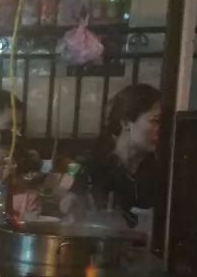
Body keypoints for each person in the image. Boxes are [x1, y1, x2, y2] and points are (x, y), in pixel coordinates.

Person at [65, 83, 164, 223]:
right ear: (126, 123)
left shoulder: (161, 171)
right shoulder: (96, 167)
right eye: (156, 121)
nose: (161, 129)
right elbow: (71, 202)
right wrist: (71, 205)